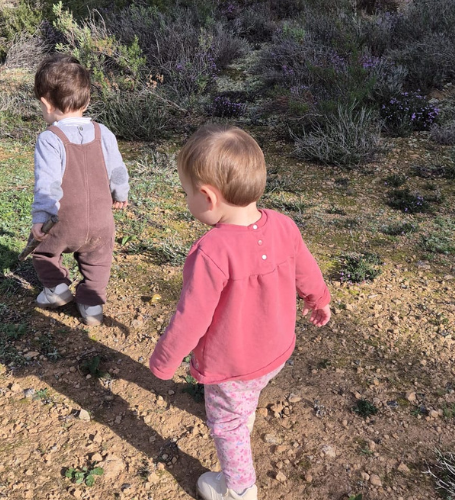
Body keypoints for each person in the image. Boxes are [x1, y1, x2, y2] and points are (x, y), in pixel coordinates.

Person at [149, 125, 331, 500]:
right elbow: (306, 269)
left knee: (227, 425)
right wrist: (319, 299)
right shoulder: (283, 224)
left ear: (208, 197)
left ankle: (239, 488)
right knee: (246, 399)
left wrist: (165, 361)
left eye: (186, 194)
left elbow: (191, 319)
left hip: (232, 366)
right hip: (276, 350)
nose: (187, 201)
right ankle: (244, 414)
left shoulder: (211, 251)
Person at [29, 54, 129, 325]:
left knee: (44, 250)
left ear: (46, 104)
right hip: (101, 220)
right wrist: (120, 194)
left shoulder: (50, 139)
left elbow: (47, 183)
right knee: (98, 261)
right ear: (86, 102)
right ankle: (92, 307)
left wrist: (41, 217)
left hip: (65, 221)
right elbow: (118, 170)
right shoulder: (103, 132)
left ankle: (58, 290)